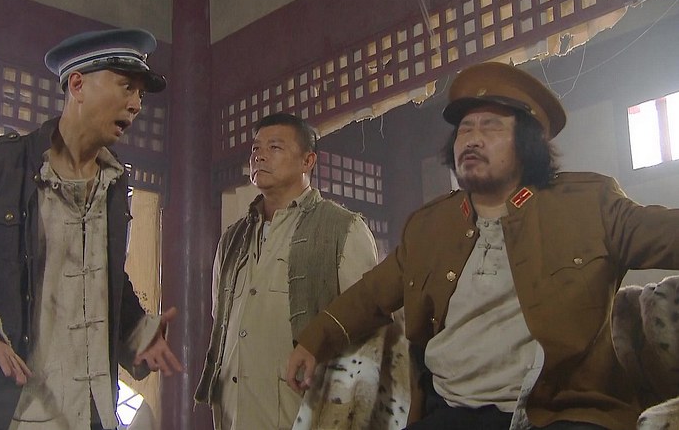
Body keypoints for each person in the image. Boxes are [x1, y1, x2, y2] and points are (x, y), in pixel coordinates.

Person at [286, 61, 679, 430]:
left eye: (491, 127)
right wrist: (312, 341)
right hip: (450, 410)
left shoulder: (589, 203)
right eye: (465, 129)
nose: (472, 139)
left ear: (527, 142)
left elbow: (665, 233)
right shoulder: (429, 226)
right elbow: (371, 295)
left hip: (561, 410)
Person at [0, 28, 183, 430]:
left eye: (141, 95)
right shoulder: (4, 165)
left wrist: (138, 332)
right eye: (127, 87)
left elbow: (104, 277)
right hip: (6, 410)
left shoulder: (114, 182)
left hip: (90, 411)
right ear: (77, 85)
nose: (136, 105)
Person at [195, 113, 380, 429]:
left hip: (303, 411)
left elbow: (367, 327)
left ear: (308, 160)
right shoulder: (232, 239)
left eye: (275, 147)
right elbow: (220, 319)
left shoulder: (342, 228)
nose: (259, 156)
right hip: (234, 413)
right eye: (255, 148)